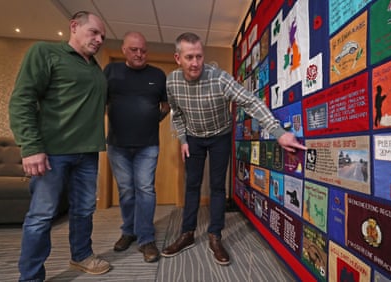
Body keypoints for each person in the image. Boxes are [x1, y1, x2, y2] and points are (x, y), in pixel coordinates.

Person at [161, 32, 307, 266]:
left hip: (220, 135)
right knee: (192, 185)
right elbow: (176, 115)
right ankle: (187, 234)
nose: (195, 62)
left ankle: (215, 236)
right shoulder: (171, 82)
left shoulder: (219, 78)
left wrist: (279, 133)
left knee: (218, 186)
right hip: (194, 138)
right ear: (178, 58)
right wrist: (183, 140)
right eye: (189, 57)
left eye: (199, 56)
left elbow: (251, 101)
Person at [8, 11, 110, 281]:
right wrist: (30, 147)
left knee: (84, 209)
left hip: (88, 153)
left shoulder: (94, 67)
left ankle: (81, 256)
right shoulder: (45, 52)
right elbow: (22, 100)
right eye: (94, 32)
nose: (99, 39)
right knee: (41, 216)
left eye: (102, 36)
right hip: (52, 153)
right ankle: (30, 277)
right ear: (74, 26)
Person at [104, 31, 169, 262]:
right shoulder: (111, 72)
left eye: (143, 49)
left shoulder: (158, 75)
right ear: (124, 50)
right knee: (126, 191)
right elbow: (100, 101)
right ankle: (128, 231)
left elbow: (166, 104)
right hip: (117, 145)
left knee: (145, 189)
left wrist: (154, 119)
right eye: (134, 49)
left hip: (147, 145)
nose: (139, 54)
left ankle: (146, 238)